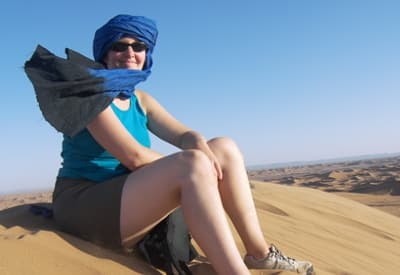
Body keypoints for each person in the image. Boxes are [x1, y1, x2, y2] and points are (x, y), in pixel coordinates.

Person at [31, 15, 314, 275]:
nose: (130, 52)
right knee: (192, 165)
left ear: (146, 53)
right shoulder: (89, 94)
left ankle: (259, 254)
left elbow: (184, 135)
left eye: (138, 46)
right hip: (85, 203)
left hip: (129, 196)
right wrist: (198, 168)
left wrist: (199, 147)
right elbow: (135, 157)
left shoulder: (140, 100)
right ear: (105, 53)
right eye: (120, 45)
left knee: (223, 147)